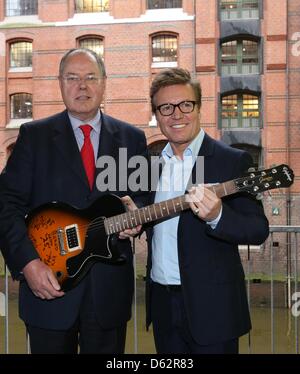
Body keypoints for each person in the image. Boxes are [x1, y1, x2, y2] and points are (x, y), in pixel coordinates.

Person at [0, 48, 147, 354]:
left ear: (104, 83)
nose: (82, 86)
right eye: (73, 78)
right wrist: (27, 263)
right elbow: (6, 205)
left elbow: (144, 200)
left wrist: (139, 217)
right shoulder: (32, 136)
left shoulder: (132, 139)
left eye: (91, 77)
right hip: (49, 289)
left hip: (108, 295)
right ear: (60, 83)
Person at [145, 67, 269, 354]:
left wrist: (217, 216)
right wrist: (134, 218)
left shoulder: (233, 161)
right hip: (162, 305)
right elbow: (149, 215)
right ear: (157, 114)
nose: (177, 114)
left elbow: (258, 229)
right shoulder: (151, 164)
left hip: (214, 309)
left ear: (199, 108)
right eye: (166, 107)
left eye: (185, 104)